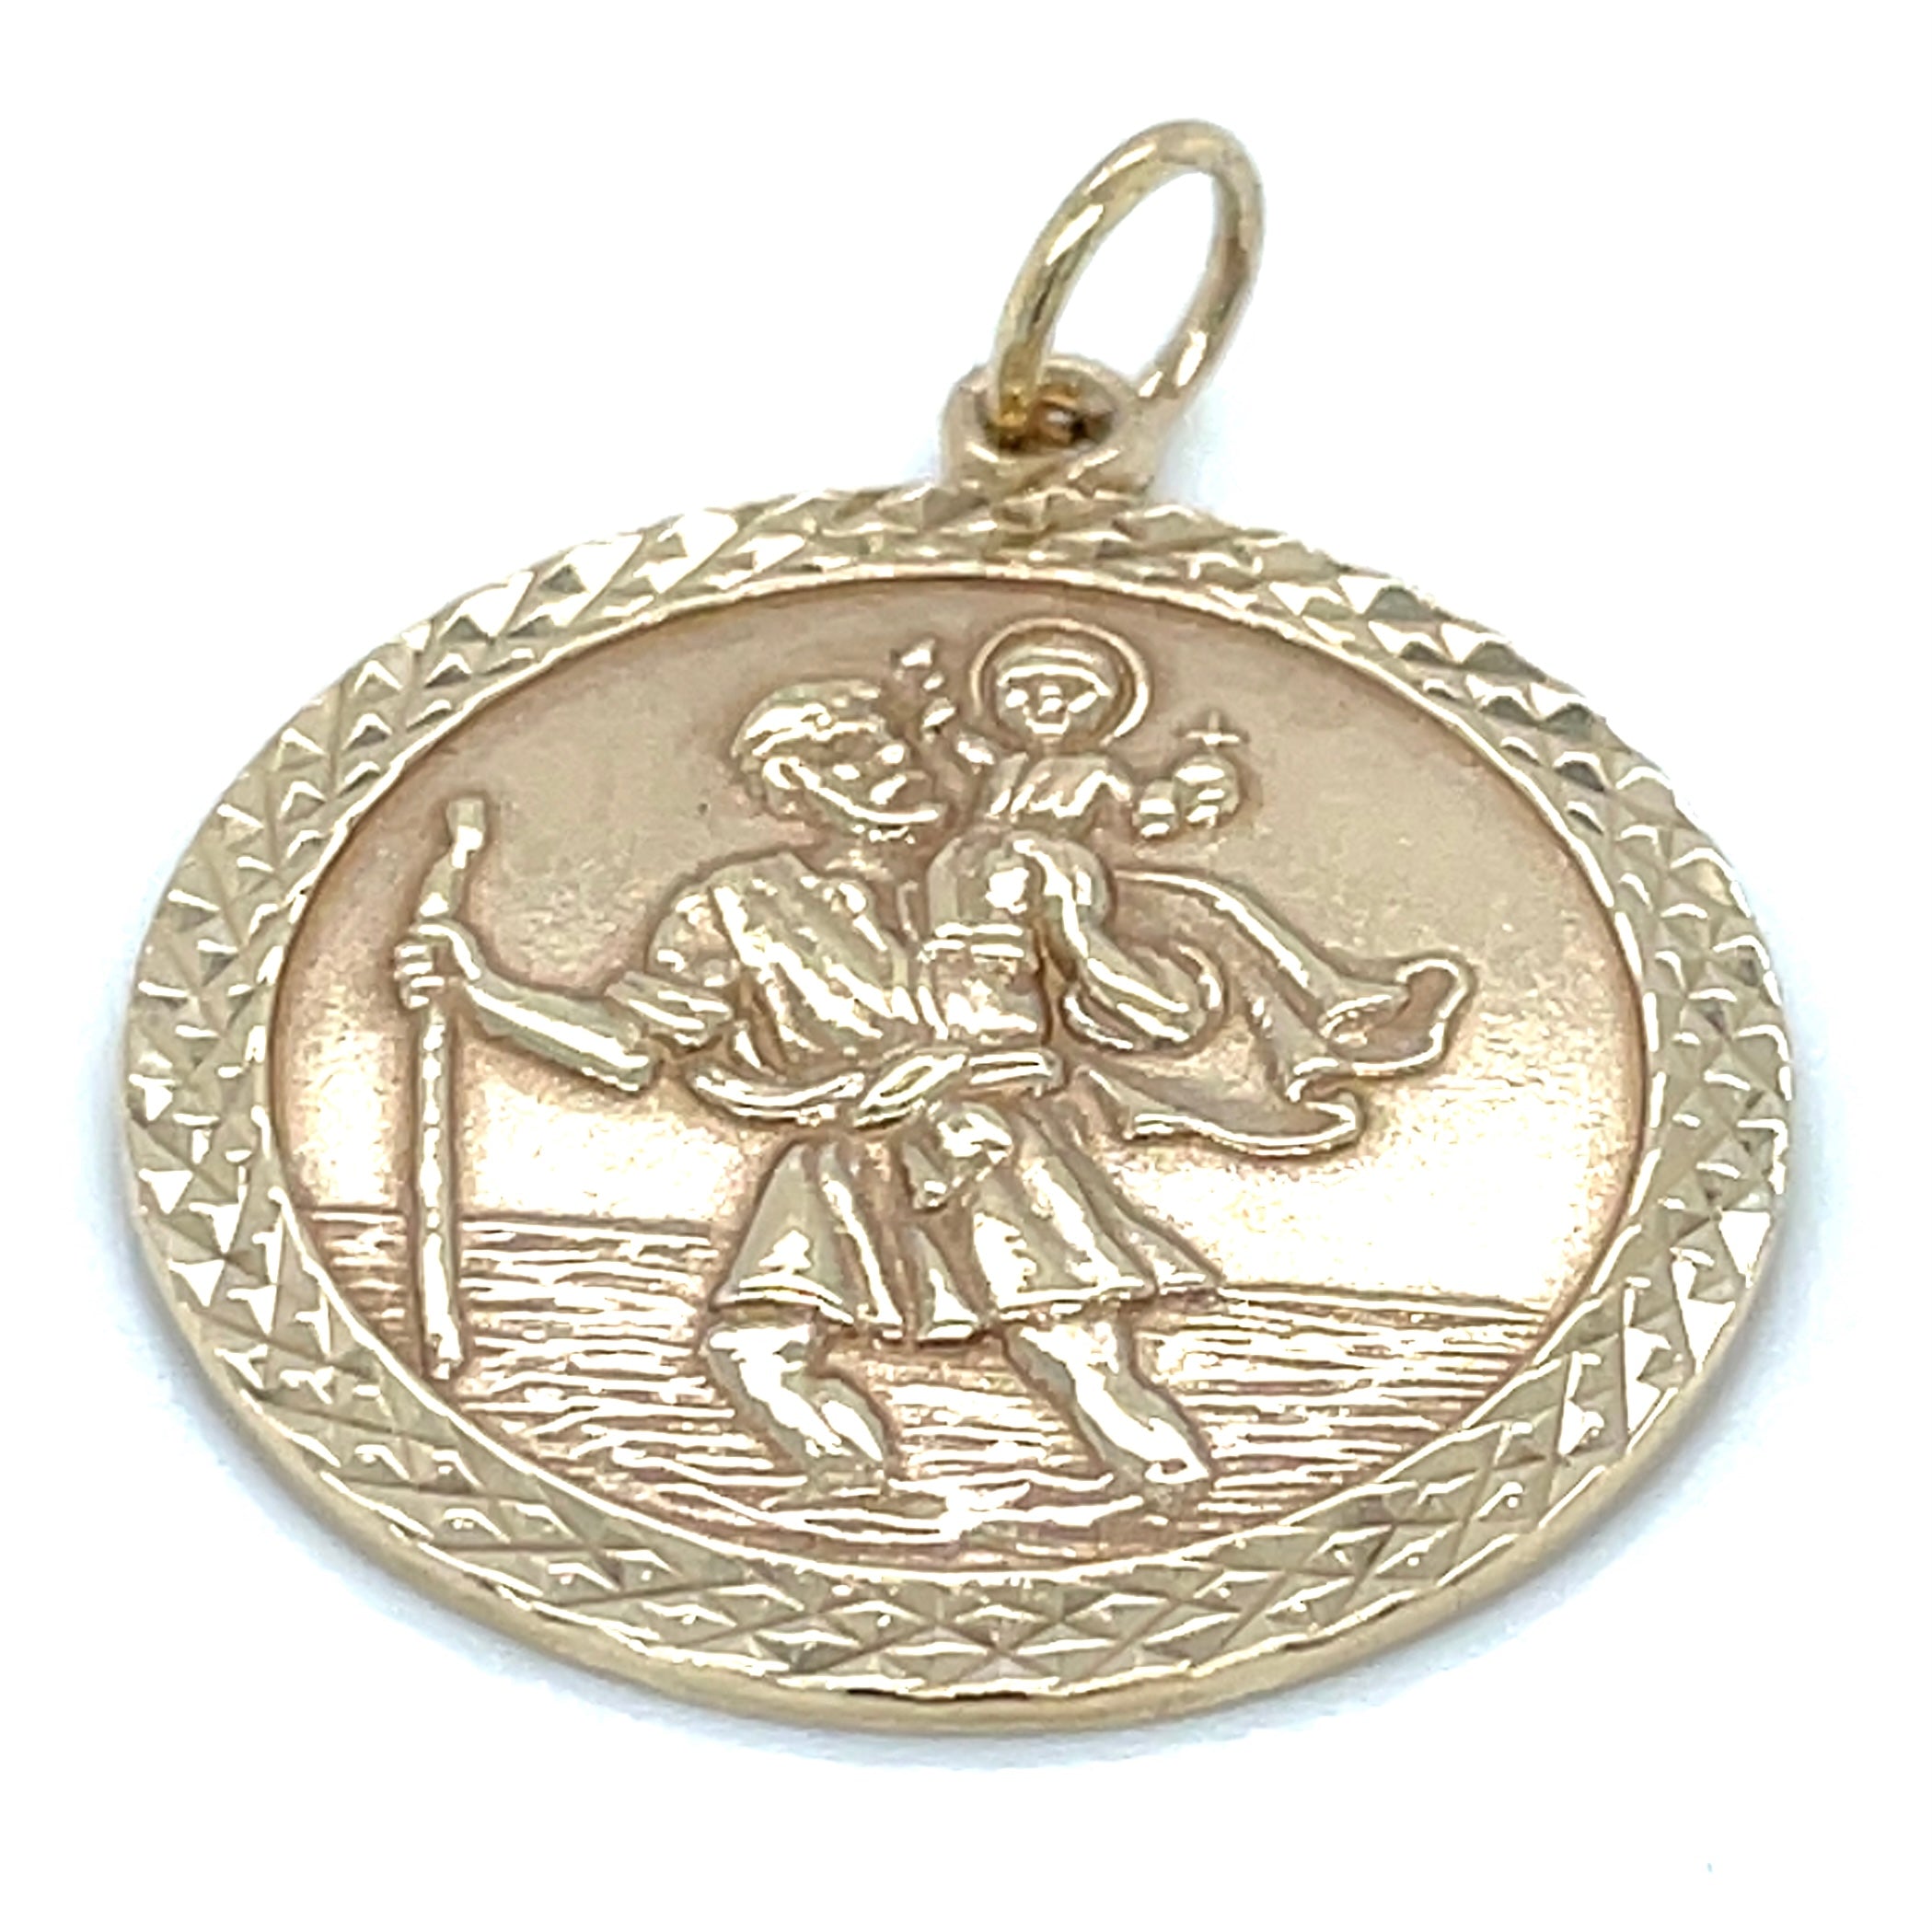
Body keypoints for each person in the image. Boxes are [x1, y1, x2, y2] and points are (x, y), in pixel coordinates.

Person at [394, 677, 1221, 1505]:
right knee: (752, 1352)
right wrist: (486, 996)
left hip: (986, 1149)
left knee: (1071, 1351)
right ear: (792, 785)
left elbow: (1161, 1015)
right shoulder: (736, 907)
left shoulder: (1002, 872)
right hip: (837, 1158)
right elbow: (628, 1050)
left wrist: (1074, 927)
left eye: (890, 738)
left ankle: (1171, 1480)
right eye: (851, 751)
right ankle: (849, 1485)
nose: (893, 760)